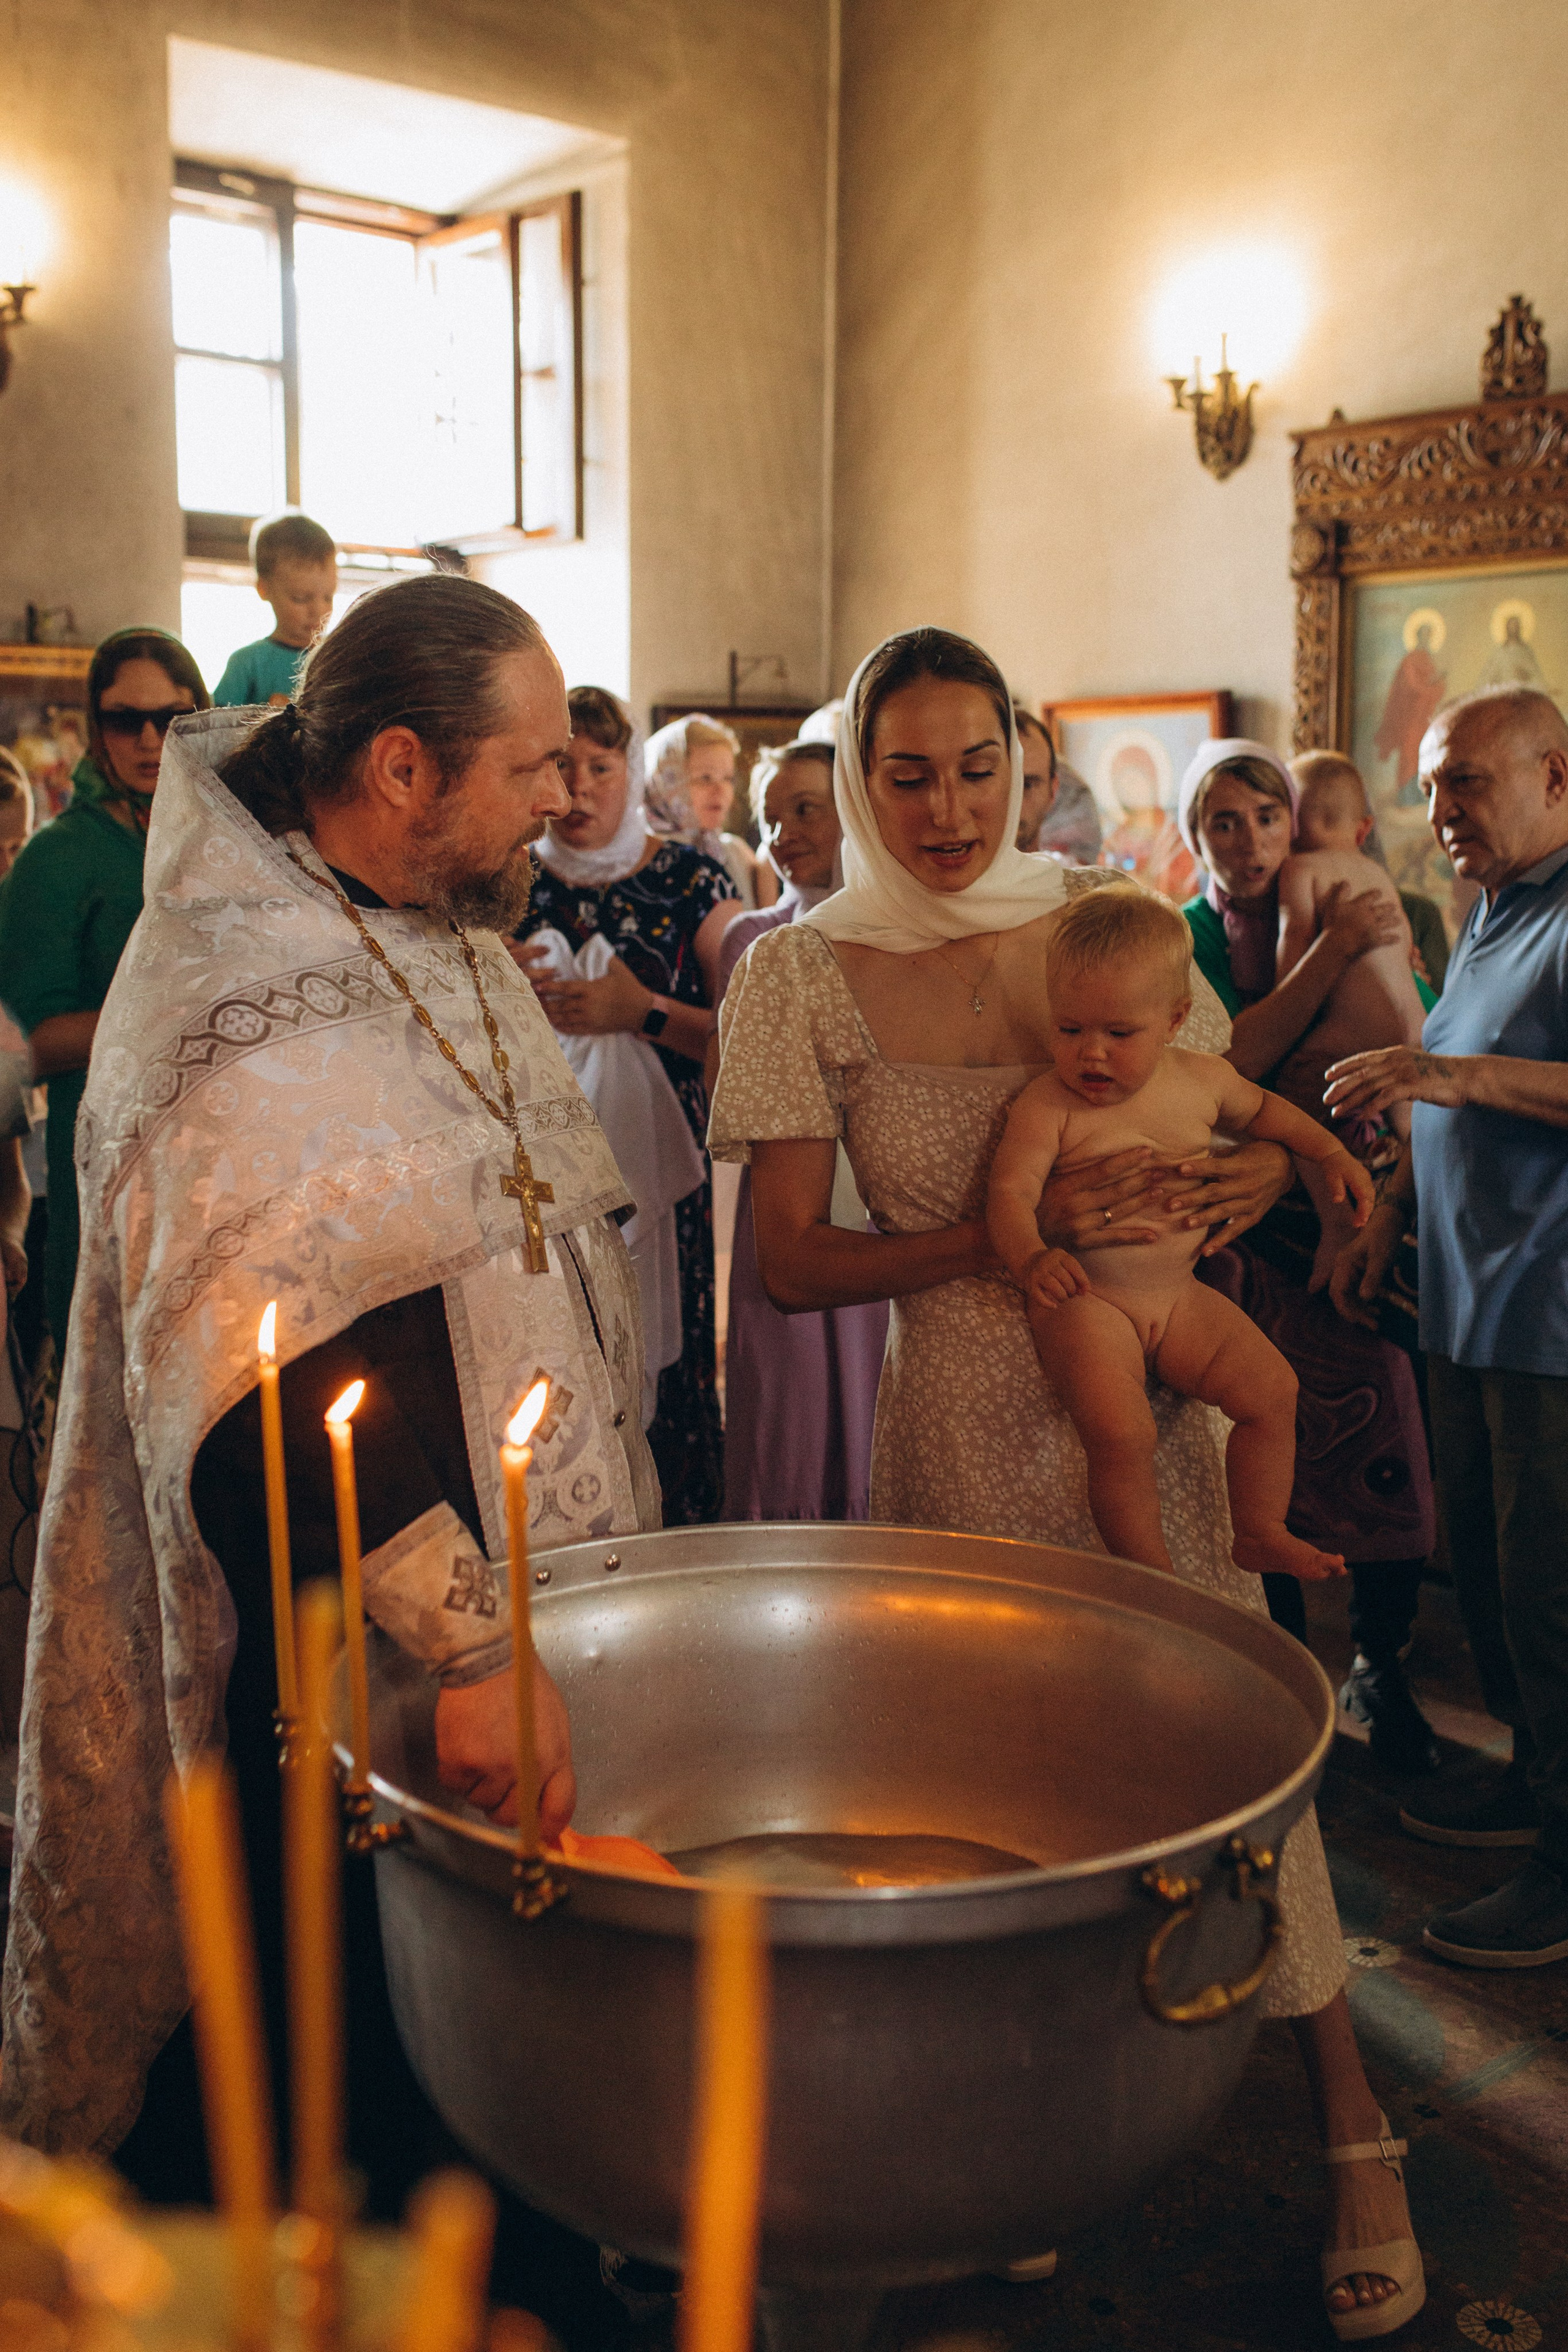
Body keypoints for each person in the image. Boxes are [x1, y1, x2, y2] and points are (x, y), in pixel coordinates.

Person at [710, 628, 1423, 2337]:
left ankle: (1356, 2131)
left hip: (1153, 1400)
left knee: (1227, 1735)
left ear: (1027, 763)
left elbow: (1219, 1112)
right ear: (856, 779)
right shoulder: (798, 976)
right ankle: (1016, 2144)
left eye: (978, 767)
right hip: (958, 1419)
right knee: (992, 1793)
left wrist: (1244, 1191)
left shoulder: (1095, 929)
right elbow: (795, 1265)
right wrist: (1009, 1240)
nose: (948, 807)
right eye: (906, 774)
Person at [1, 579, 657, 2242]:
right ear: (400, 772)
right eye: (530, 769)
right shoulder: (223, 1002)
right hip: (349, 1647)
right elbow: (258, 1386)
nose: (566, 798)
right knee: (367, 2087)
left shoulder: (423, 921)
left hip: (510, 1604)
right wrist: (468, 1637)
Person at [1328, 684, 1568, 1969]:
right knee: (1477, 1568)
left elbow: (1452, 1071)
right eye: (1428, 785)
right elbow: (1440, 1080)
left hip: (1548, 1318)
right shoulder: (1490, 911)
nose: (1440, 812)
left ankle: (1560, 1867)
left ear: (1553, 776)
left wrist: (1441, 1076)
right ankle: (1535, 1784)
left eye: (1464, 782)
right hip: (1462, 1304)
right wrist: (1381, 1215)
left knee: (1548, 1595)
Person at [1177, 741, 1439, 1779]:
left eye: (1265, 819)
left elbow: (1406, 1036)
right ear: (1193, 837)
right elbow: (1225, 1063)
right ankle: (1281, 1677)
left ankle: (1384, 1663)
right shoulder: (1180, 933)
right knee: (1255, 1450)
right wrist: (1327, 954)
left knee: (1390, 1425)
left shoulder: (1359, 903)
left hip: (1352, 1205)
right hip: (1237, 1237)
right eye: (1222, 824)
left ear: (1297, 825)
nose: (1247, 843)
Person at [989, 886, 1370, 1579]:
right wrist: (1029, 1256)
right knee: (1121, 1433)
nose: (1091, 1055)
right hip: (1088, 1300)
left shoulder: (1203, 1081)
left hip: (1178, 1294)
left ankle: (1258, 1529)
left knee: (1273, 1391)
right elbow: (1010, 1192)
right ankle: (1150, 1574)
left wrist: (1332, 1154)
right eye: (1069, 1030)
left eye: (1118, 1034)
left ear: (1174, 1019)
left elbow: (1275, 1119)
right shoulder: (1047, 1104)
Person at [514, 684, 739, 1526]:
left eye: (599, 768)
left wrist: (637, 1013)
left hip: (663, 1177)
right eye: (558, 766)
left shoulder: (691, 877)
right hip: (535, 1184)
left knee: (661, 1355)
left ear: (631, 770)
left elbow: (750, 1034)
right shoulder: (508, 879)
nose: (577, 790)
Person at [0, 627, 209, 1352]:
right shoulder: (57, 859)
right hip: (110, 1169)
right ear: (96, 728)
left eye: (173, 718)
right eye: (126, 720)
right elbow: (25, 1045)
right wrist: (172, 1018)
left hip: (223, 1162)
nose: (151, 739)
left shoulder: (231, 841)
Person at [717, 740, 888, 1521]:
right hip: (790, 1200)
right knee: (790, 1402)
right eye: (770, 817)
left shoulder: (898, 935)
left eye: (806, 809)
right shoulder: (751, 940)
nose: (783, 833)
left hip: (889, 1195)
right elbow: (736, 1090)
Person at [1275, 753, 1428, 1289]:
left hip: (1352, 1043)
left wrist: (1284, 998)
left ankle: (1338, 1226)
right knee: (1413, 1140)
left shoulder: (1301, 868)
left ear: (1290, 822)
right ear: (1364, 829)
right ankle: (1407, 1206)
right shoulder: (1378, 875)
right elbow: (1405, 951)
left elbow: (1294, 951)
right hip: (1414, 1038)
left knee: (1292, 1100)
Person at [643, 712, 775, 908]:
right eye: (705, 778)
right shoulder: (642, 857)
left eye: (728, 779)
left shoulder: (735, 852)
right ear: (666, 782)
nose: (721, 790)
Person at [212, 510, 338, 707]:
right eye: (301, 598)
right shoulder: (247, 664)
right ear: (264, 589)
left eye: (328, 597)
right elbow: (217, 731)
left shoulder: (338, 659)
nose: (319, 611)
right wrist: (262, 716)